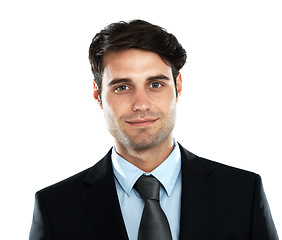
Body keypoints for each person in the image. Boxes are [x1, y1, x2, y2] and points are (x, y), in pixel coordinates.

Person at [29, 20, 278, 240]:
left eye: (155, 84)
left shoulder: (243, 193)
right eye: (122, 87)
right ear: (98, 95)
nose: (141, 104)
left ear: (178, 86)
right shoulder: (55, 208)